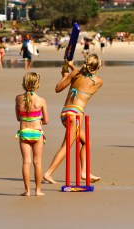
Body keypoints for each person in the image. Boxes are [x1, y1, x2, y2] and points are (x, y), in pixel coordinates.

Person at [43, 53, 103, 184]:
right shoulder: (98, 81)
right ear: (98, 66)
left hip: (65, 113)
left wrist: (67, 71)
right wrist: (71, 68)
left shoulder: (75, 74)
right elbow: (85, 78)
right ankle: (49, 173)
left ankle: (84, 172)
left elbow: (58, 88)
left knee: (86, 142)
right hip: (76, 115)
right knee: (66, 146)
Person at [15, 72, 49, 196]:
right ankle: (38, 190)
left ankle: (27, 190)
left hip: (24, 133)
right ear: (37, 85)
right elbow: (46, 120)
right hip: (37, 133)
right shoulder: (41, 100)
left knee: (26, 162)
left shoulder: (18, 99)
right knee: (37, 162)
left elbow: (18, 118)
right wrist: (38, 120)